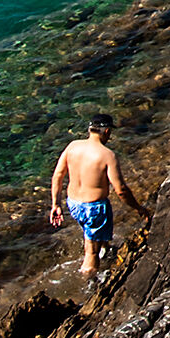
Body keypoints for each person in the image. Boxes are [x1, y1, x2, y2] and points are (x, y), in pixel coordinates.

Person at [46, 114, 144, 277]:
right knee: (91, 252)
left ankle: (104, 249)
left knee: (94, 237)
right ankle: (90, 284)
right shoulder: (107, 155)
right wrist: (138, 208)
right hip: (94, 208)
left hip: (73, 204)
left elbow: (57, 176)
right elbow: (121, 190)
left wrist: (55, 205)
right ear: (107, 131)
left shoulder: (72, 146)